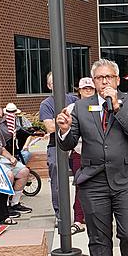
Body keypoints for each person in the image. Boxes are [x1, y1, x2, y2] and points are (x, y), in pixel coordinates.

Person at [56, 59, 128, 256]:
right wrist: (63, 131)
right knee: (98, 238)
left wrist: (117, 107)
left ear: (117, 80)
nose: (105, 81)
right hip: (94, 182)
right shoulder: (80, 107)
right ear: (93, 82)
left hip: (126, 179)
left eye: (109, 77)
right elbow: (67, 143)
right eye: (99, 78)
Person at [38, 73, 80, 230]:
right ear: (49, 86)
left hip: (75, 143)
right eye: (53, 83)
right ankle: (60, 215)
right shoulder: (46, 104)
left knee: (83, 179)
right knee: (57, 181)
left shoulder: (74, 100)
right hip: (56, 146)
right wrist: (67, 123)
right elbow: (49, 128)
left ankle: (80, 215)